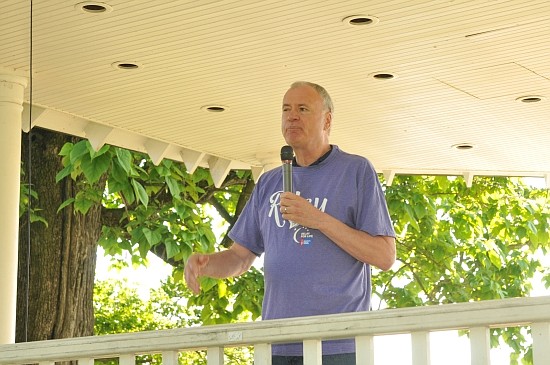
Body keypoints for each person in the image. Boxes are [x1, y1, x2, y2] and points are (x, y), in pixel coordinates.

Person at [184, 81, 396, 365]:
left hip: (338, 345)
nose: (291, 116)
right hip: (278, 343)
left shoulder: (356, 171)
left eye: (303, 109)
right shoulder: (269, 182)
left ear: (327, 120)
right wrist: (206, 263)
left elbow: (384, 256)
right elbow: (239, 257)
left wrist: (318, 219)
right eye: (286, 109)